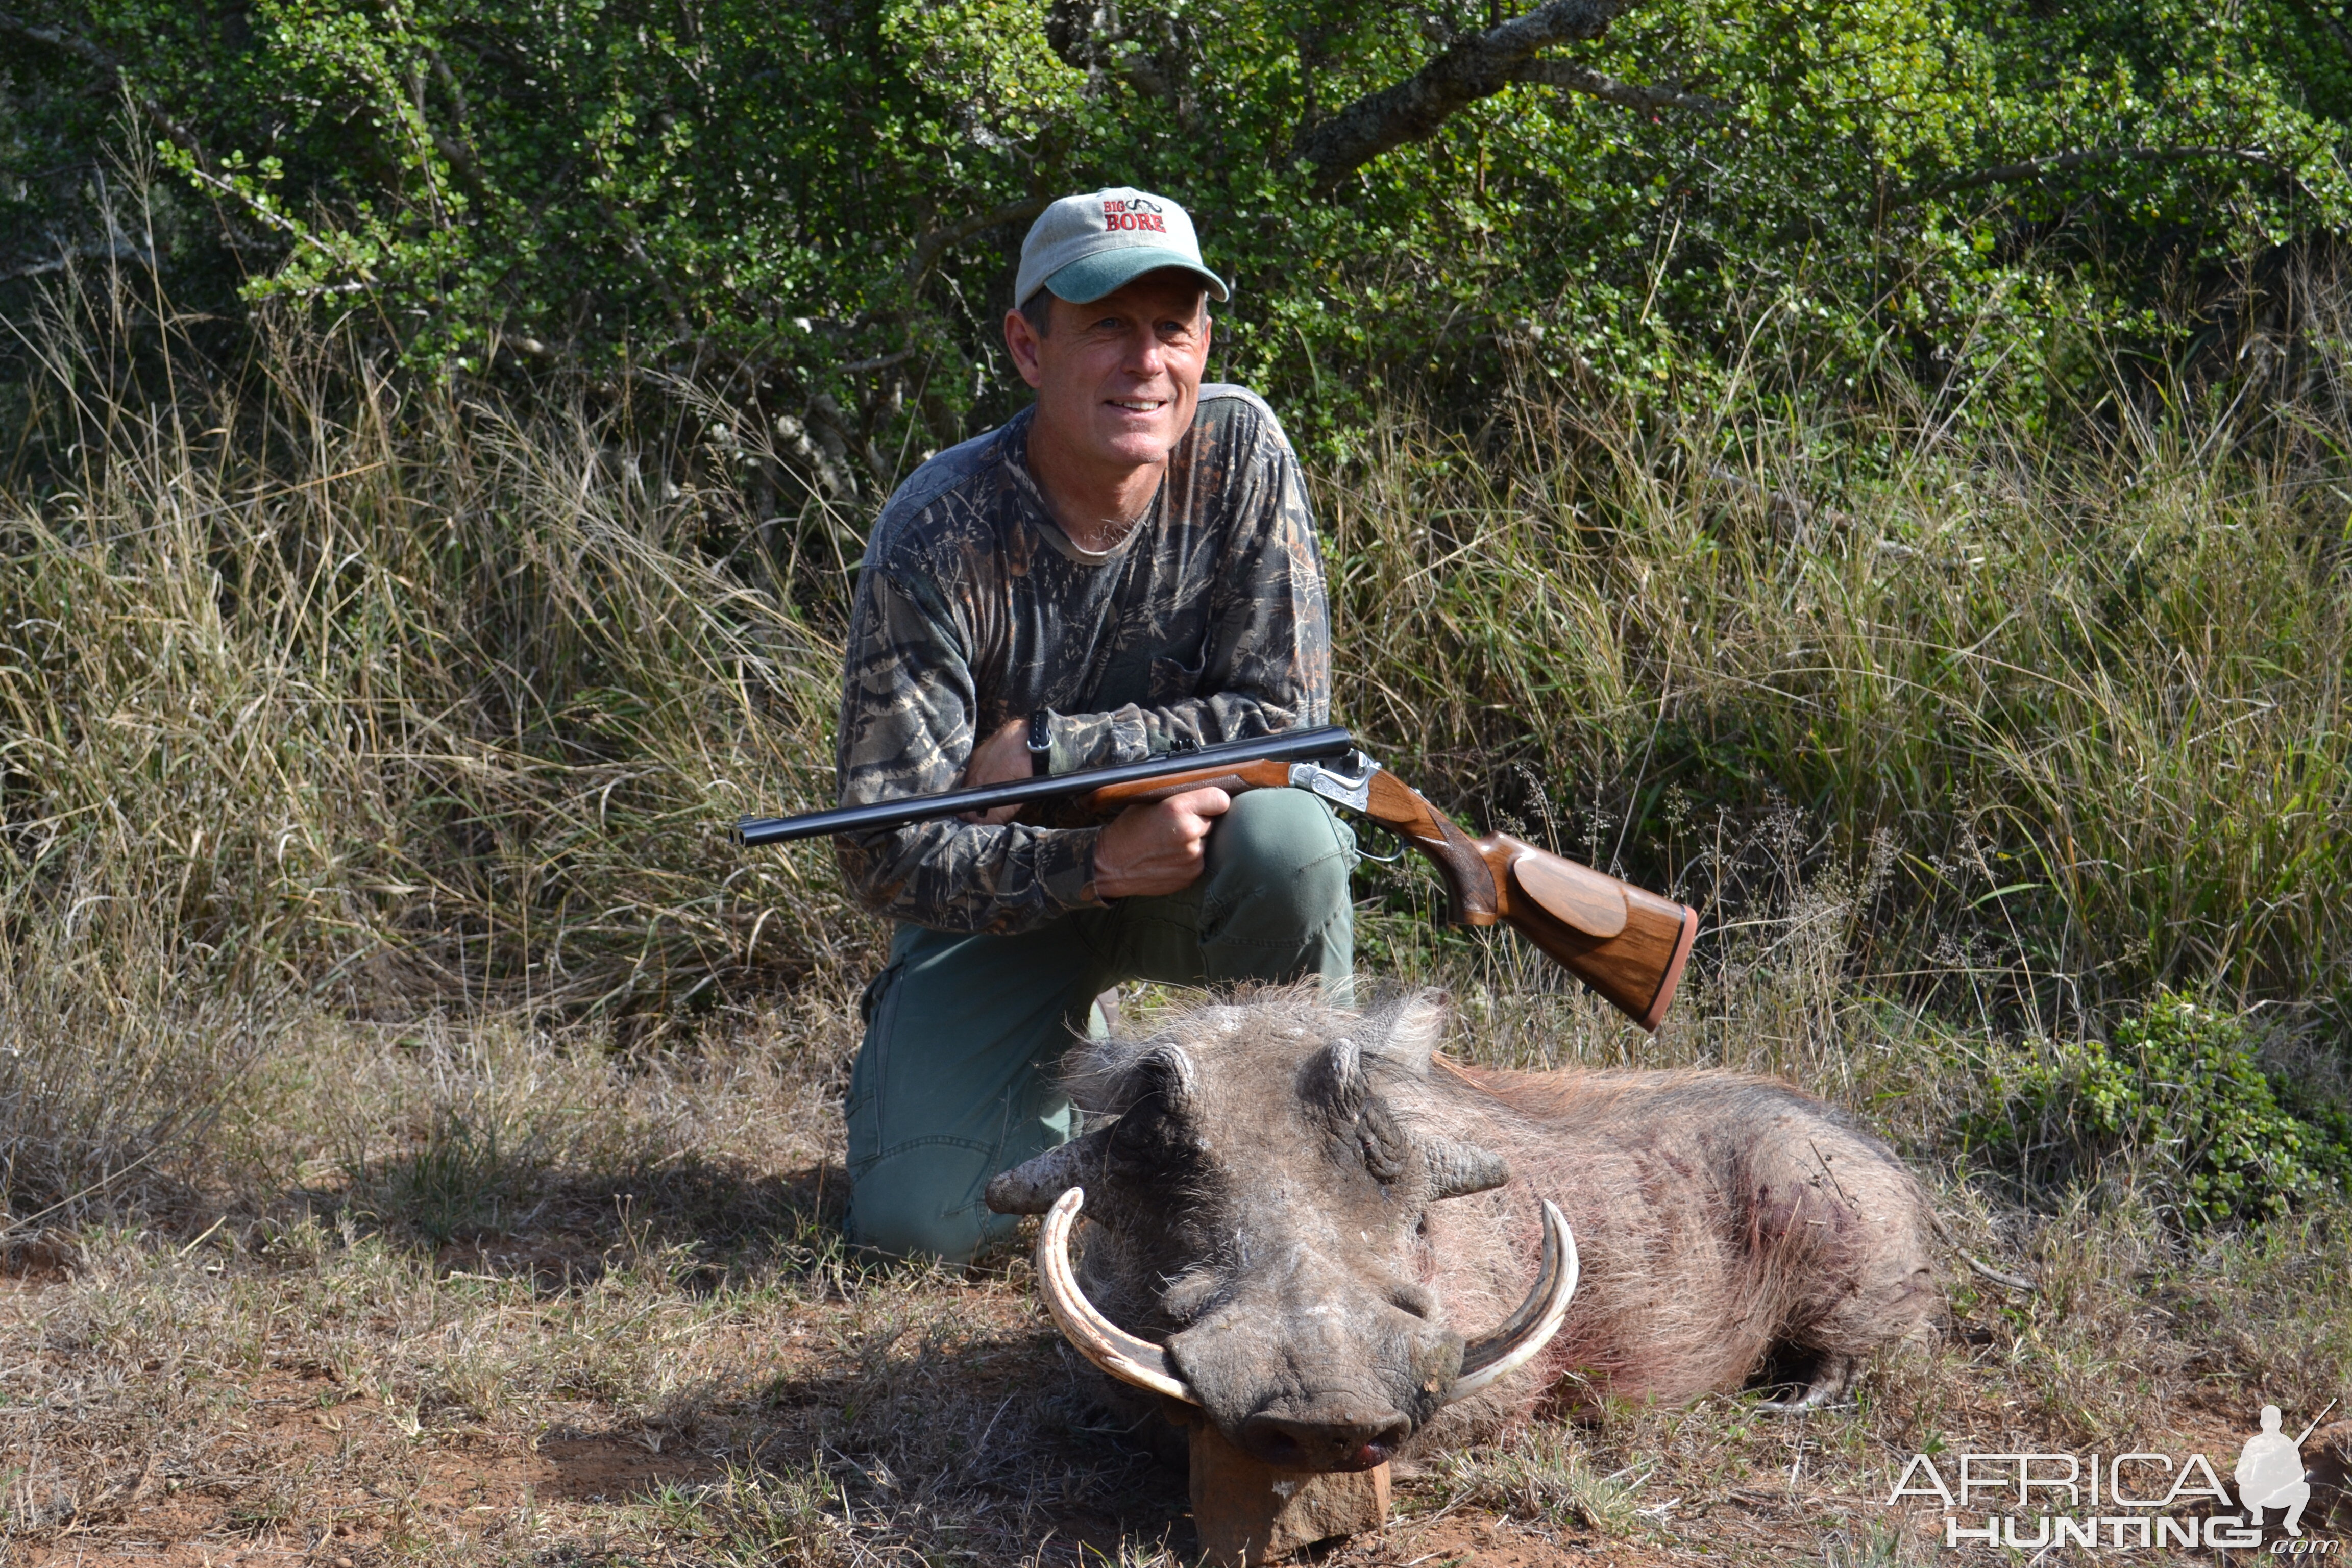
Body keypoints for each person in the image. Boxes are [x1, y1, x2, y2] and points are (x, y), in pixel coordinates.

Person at [830, 187, 1356, 1262]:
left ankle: (1325, 1157)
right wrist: (1098, 865)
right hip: (1003, 900)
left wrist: (1053, 750)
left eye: (1172, 328)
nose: (1145, 362)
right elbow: (888, 857)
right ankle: (1098, 1078)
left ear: (1204, 343)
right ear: (1030, 347)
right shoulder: (935, 527)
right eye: (1107, 326)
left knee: (1294, 845)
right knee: (922, 1230)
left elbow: (1286, 724)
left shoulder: (1243, 452)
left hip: (1203, 868)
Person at [2236, 1405, 2310, 1536]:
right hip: (2256, 1492)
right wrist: (2253, 1480)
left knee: (2305, 1489)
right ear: (2261, 1423)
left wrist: (2282, 1474)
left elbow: (2300, 1474)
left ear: (2280, 1423)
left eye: (2274, 1421)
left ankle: (2291, 1522)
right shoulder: (2253, 1443)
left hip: (2278, 1492)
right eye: (2267, 1421)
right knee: (2244, 1489)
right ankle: (2256, 1513)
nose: (2271, 1425)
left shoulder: (2287, 1443)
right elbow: (2240, 1473)